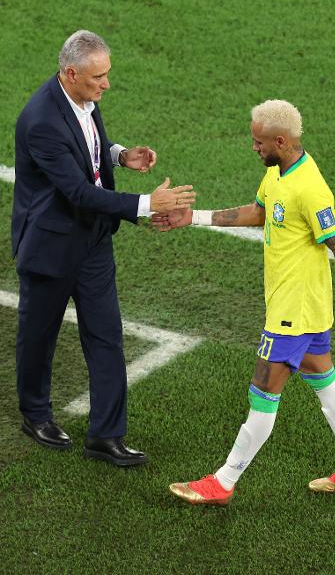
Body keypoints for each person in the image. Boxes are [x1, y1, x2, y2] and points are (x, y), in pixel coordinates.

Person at [154, 99, 335, 503]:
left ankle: (223, 482)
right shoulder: (278, 173)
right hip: (300, 307)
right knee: (324, 380)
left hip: (294, 312)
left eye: (258, 142)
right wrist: (195, 218)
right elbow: (259, 212)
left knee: (263, 392)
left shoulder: (309, 188)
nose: (253, 147)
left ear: (280, 140)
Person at [12, 30, 196, 467]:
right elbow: (78, 192)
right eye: (99, 77)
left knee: (106, 336)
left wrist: (119, 155)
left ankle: (106, 436)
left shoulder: (83, 97)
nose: (106, 85)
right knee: (39, 337)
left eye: (107, 75)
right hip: (51, 248)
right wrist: (149, 204)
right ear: (71, 73)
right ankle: (34, 414)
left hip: (92, 243)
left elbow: (87, 146)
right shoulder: (40, 120)